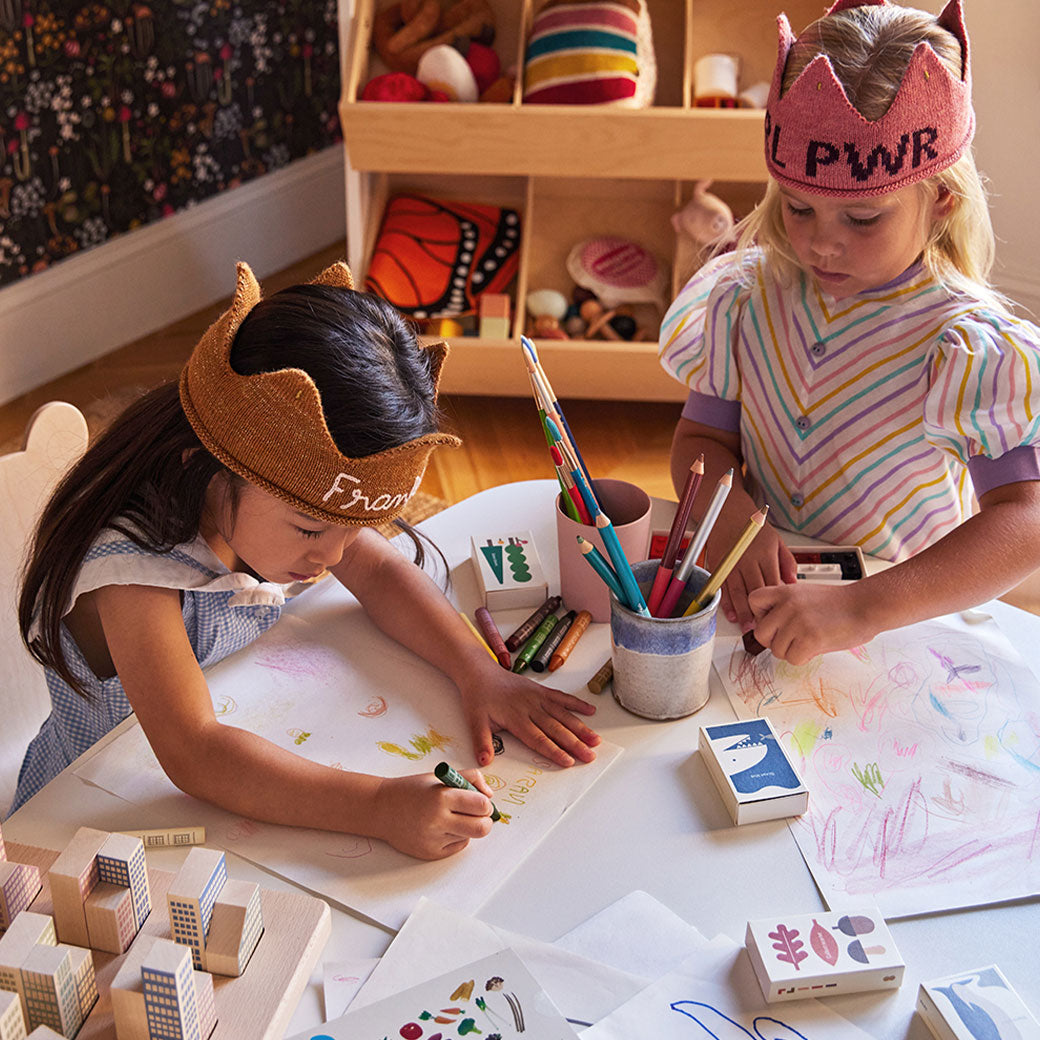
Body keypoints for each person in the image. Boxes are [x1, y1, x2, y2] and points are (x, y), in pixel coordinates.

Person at [14, 261, 600, 858]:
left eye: (358, 529)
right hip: (85, 818)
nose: (334, 557)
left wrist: (477, 672)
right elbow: (195, 752)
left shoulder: (285, 502)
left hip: (239, 742)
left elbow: (381, 571)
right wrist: (378, 806)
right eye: (311, 529)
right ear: (210, 468)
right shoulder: (132, 573)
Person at [659, 0, 1040, 665]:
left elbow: (1024, 519)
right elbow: (701, 441)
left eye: (862, 220)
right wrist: (734, 528)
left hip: (903, 627)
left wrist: (865, 608)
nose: (821, 244)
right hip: (759, 615)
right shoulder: (745, 297)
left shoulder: (968, 346)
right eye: (799, 208)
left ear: (941, 199)